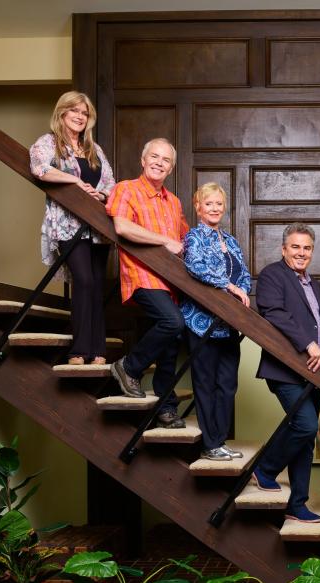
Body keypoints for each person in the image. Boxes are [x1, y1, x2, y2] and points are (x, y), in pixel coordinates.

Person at [105, 138, 189, 429]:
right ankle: (128, 366)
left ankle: (166, 407)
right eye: (154, 157)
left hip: (172, 283)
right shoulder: (125, 189)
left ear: (171, 168)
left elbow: (184, 241)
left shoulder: (174, 202)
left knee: (170, 344)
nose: (159, 163)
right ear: (143, 160)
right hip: (141, 275)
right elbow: (122, 227)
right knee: (173, 323)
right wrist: (165, 240)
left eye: (165, 160)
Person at [29, 91, 115, 365]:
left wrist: (100, 195)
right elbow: (39, 169)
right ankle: (79, 351)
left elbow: (111, 184)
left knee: (97, 284)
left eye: (84, 113)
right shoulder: (48, 143)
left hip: (98, 227)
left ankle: (98, 351)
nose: (79, 117)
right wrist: (75, 183)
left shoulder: (94, 149)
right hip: (67, 224)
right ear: (62, 113)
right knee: (84, 280)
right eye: (74, 111)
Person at [251, 223, 320, 523]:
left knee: (306, 440)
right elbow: (274, 312)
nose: (301, 252)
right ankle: (265, 469)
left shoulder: (315, 284)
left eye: (306, 248)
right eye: (295, 247)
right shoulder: (273, 275)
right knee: (307, 426)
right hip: (285, 369)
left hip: (313, 373)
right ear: (284, 249)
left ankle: (297, 504)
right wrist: (310, 345)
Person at [181, 183, 252, 461]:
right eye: (208, 203)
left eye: (218, 204)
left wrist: (242, 289)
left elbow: (244, 272)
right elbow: (195, 266)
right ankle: (209, 444)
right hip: (202, 324)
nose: (214, 208)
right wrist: (229, 286)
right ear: (198, 207)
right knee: (205, 384)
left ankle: (220, 441)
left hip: (229, 325)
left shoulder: (231, 240)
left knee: (228, 385)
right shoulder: (194, 236)